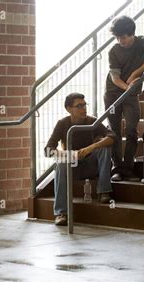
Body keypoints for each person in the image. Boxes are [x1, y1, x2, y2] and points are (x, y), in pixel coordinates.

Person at [45, 93, 117, 226]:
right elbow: (48, 150)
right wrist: (69, 155)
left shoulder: (93, 121)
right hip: (73, 167)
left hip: (91, 166)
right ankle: (61, 213)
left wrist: (90, 148)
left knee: (104, 147)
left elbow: (112, 137)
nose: (84, 108)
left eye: (84, 105)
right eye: (79, 106)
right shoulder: (62, 124)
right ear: (68, 109)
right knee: (60, 165)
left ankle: (104, 191)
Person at [104, 15, 144, 182]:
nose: (120, 40)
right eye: (117, 37)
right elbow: (115, 77)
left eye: (122, 37)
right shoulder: (113, 51)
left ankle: (127, 169)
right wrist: (127, 87)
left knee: (131, 130)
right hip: (113, 92)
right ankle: (117, 169)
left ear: (131, 34)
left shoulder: (142, 42)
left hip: (131, 94)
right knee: (113, 131)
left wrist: (136, 73)